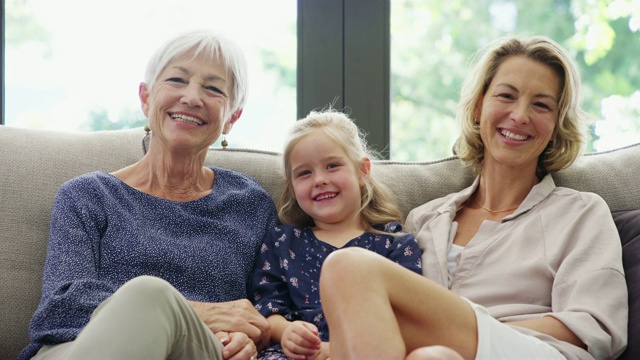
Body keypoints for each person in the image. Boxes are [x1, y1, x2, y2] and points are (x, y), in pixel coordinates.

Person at [318, 35, 628, 360]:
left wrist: (469, 329)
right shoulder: (425, 219)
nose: (520, 115)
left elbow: (595, 326)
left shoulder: (582, 213)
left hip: (538, 353)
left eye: (541, 104)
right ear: (479, 107)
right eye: (506, 96)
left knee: (348, 266)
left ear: (556, 124)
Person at [19, 30, 278, 360]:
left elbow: (271, 311)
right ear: (146, 98)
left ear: (232, 118)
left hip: (200, 353)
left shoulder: (250, 205)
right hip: (76, 349)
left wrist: (252, 337)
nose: (192, 97)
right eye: (177, 80)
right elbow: (61, 308)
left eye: (213, 88)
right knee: (150, 293)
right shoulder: (87, 196)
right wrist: (197, 312)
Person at [250, 109, 424, 360]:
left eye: (332, 166)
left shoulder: (394, 243)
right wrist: (286, 331)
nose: (319, 179)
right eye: (304, 173)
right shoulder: (282, 242)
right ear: (291, 186)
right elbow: (267, 304)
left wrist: (339, 349)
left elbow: (409, 317)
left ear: (363, 171)